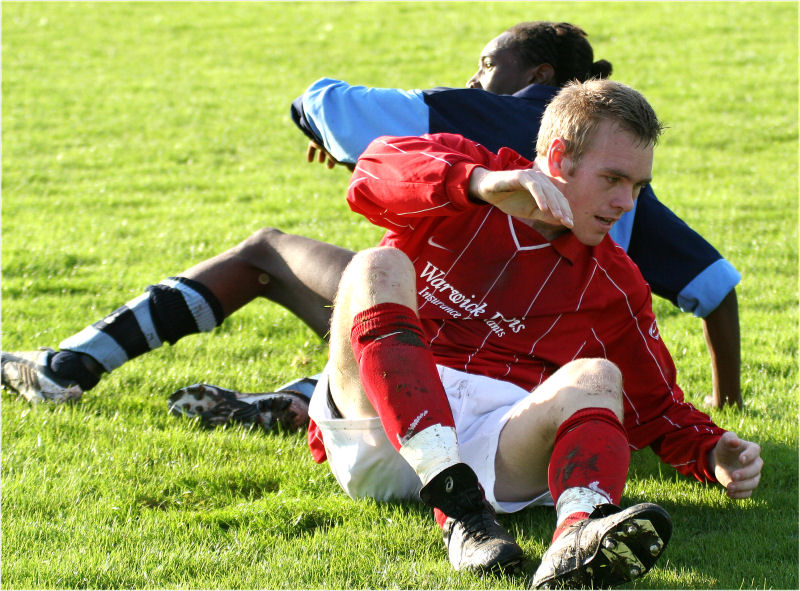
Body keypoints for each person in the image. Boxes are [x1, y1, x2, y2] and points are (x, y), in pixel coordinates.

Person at [1, 22, 741, 417]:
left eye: (487, 62)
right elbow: (715, 286)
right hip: (522, 376)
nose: (473, 74)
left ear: (540, 79)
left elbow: (320, 102)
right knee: (404, 323)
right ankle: (300, 401)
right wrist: (725, 405)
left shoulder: (466, 111)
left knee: (272, 252)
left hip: (441, 338)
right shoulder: (620, 185)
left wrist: (345, 142)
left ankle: (68, 366)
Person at [306, 79, 762, 588]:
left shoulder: (616, 280)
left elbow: (653, 407)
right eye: (613, 179)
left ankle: (576, 539)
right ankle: (453, 503)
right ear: (560, 157)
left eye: (637, 186)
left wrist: (711, 449)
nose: (626, 202)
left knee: (599, 376)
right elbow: (371, 173)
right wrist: (481, 186)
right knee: (375, 264)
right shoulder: (467, 169)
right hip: (375, 431)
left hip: (494, 451)